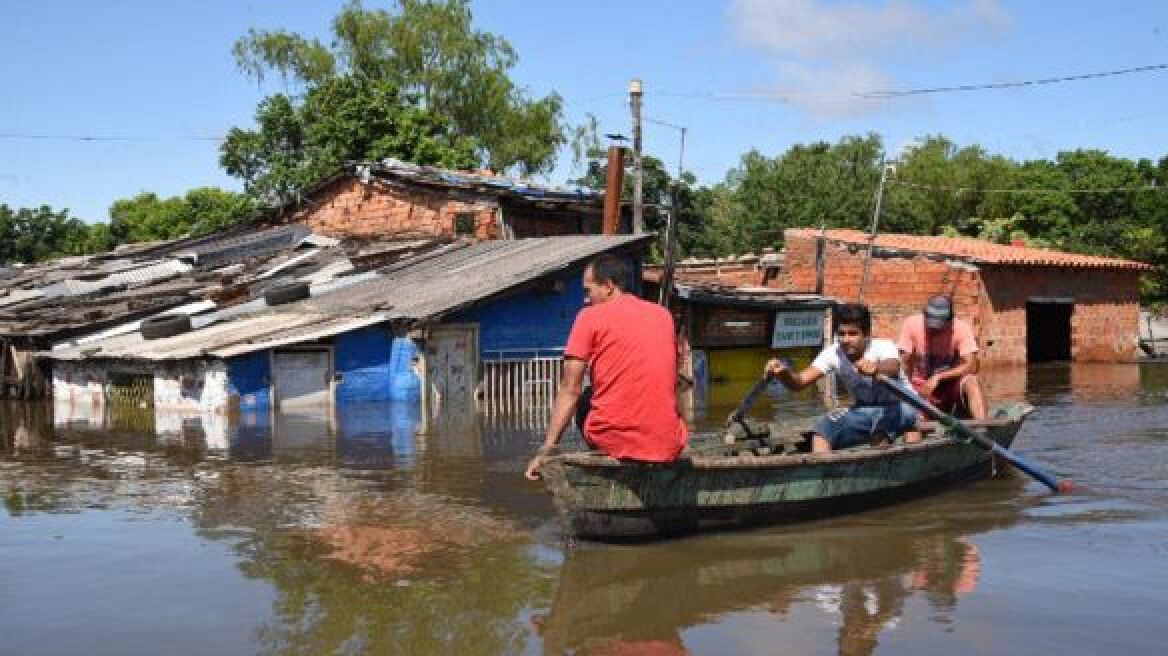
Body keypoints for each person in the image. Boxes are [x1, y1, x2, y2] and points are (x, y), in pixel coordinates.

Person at [524, 254, 687, 480]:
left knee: (585, 397)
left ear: (609, 286)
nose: (585, 299)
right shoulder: (662, 315)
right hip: (669, 441)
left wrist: (547, 450)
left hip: (614, 439)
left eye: (588, 291)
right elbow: (671, 379)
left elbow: (570, 389)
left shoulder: (589, 317)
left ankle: (607, 464)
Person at [765, 303, 918, 453]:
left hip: (902, 407)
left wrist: (876, 368)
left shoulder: (883, 346)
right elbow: (799, 382)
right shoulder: (833, 353)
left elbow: (893, 367)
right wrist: (783, 373)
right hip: (863, 410)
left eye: (852, 334)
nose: (845, 340)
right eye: (841, 334)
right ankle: (823, 473)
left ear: (866, 334)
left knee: (880, 430)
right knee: (822, 428)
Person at [897, 295, 987, 420]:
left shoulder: (961, 328)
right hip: (919, 388)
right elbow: (903, 363)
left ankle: (983, 429)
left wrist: (938, 377)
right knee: (916, 417)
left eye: (938, 325)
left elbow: (972, 366)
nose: (933, 329)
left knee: (972, 381)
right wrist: (910, 393)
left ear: (950, 320)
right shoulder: (911, 324)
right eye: (930, 323)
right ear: (925, 315)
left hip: (949, 387)